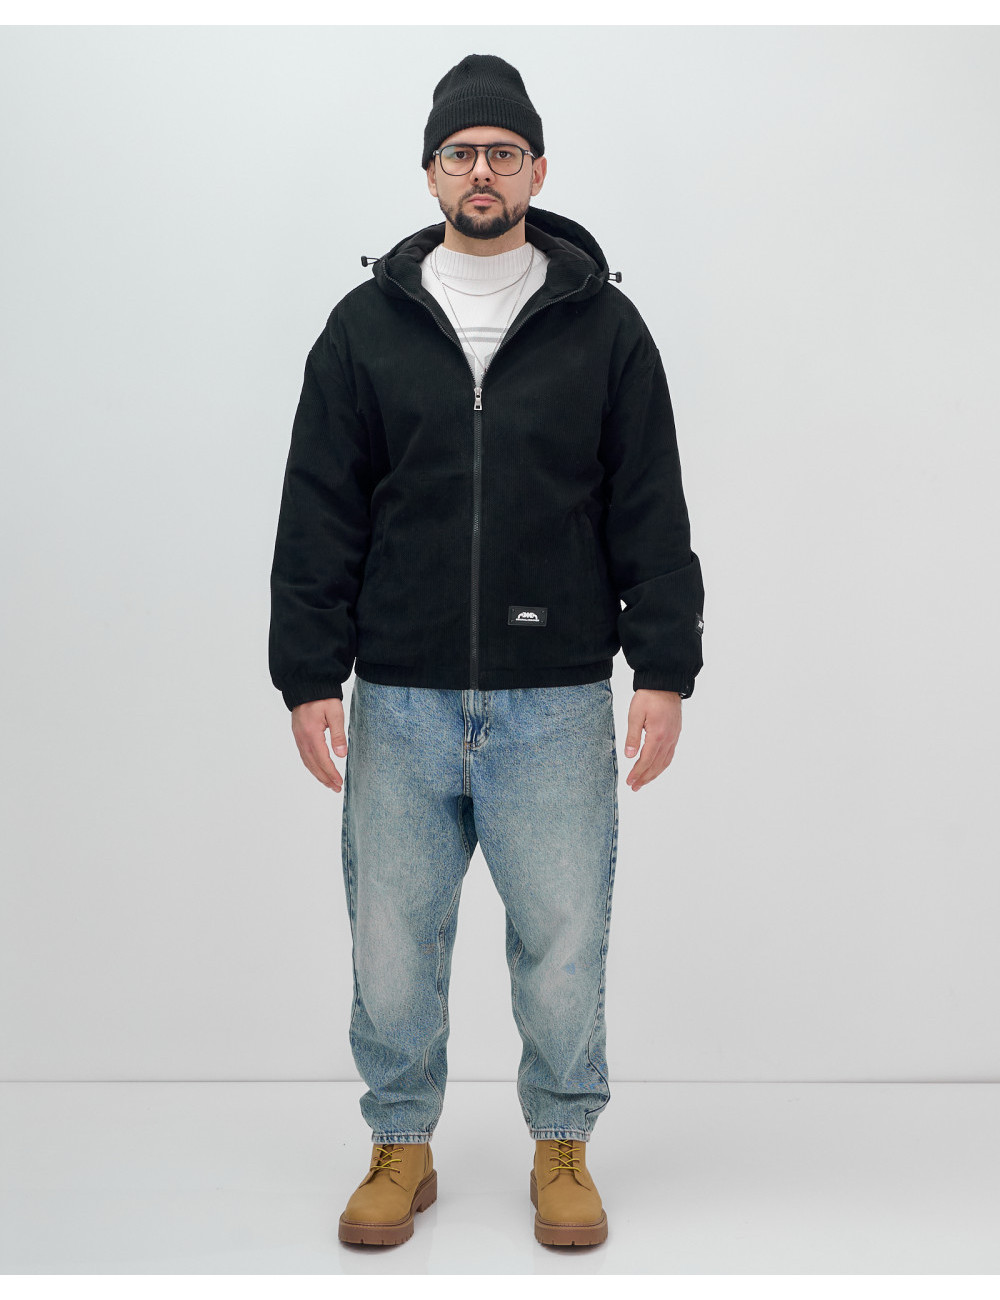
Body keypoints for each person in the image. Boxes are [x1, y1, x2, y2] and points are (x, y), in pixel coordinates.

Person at [268, 52, 705, 1249]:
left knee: (562, 940)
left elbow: (649, 507)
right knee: (390, 942)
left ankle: (561, 1144)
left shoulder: (603, 328)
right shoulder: (363, 330)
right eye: (460, 152)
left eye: (502, 153)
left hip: (555, 697)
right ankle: (399, 1145)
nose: (480, 171)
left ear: (537, 171)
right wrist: (308, 673)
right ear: (429, 173)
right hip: (400, 693)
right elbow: (318, 509)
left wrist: (663, 667)